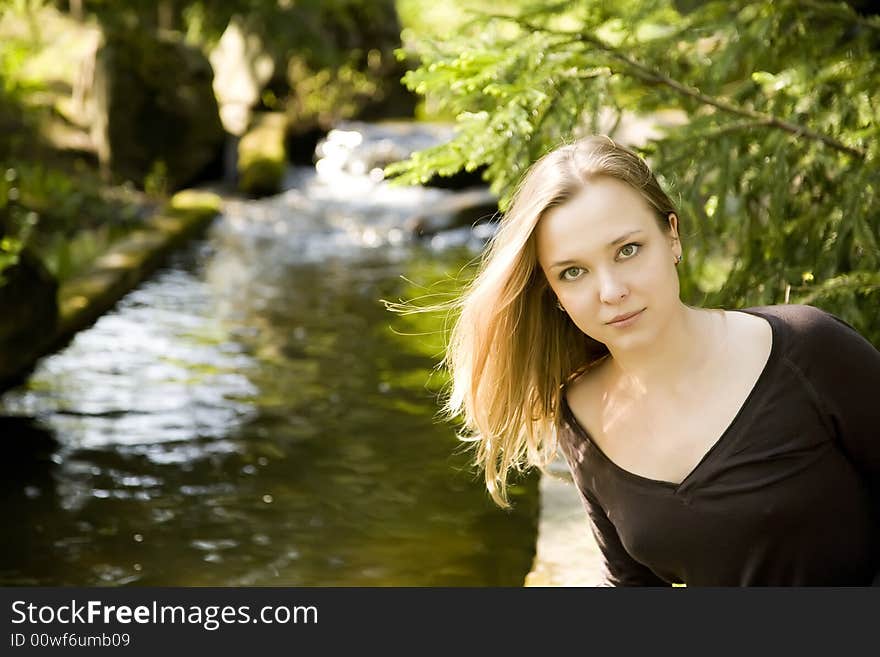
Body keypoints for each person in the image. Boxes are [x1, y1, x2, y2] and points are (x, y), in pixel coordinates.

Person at [436, 135, 880, 586]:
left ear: (672, 235)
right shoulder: (582, 411)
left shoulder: (808, 350)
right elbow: (633, 585)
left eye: (627, 250)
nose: (611, 291)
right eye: (574, 272)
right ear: (553, 292)